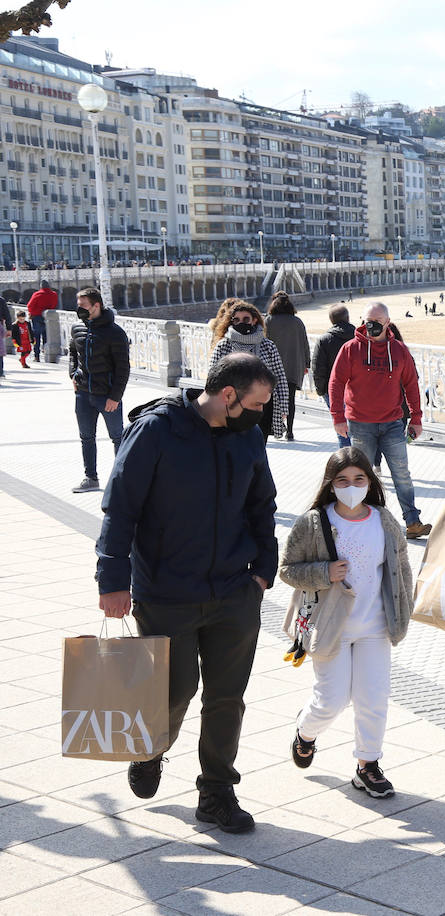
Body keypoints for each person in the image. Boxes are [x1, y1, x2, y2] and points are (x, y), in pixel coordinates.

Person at [95, 352, 278, 832]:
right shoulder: (157, 431)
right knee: (174, 691)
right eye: (258, 404)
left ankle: (217, 792)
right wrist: (112, 581)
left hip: (235, 592)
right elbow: (120, 507)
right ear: (228, 396)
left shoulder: (248, 436)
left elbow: (263, 504)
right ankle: (152, 747)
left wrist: (263, 569)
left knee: (226, 697)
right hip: (167, 593)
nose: (264, 415)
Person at [280, 447, 413, 799]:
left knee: (374, 698)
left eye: (358, 479)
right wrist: (324, 572)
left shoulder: (383, 520)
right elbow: (287, 569)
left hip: (375, 626)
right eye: (342, 481)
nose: (351, 486)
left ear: (370, 482)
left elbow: (400, 569)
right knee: (332, 699)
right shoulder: (314, 522)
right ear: (330, 484)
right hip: (330, 627)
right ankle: (306, 732)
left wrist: (403, 613)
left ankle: (367, 764)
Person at [328, 303, 431, 539]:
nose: (370, 326)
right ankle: (362, 521)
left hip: (393, 423)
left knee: (401, 474)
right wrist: (337, 416)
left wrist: (416, 418)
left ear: (387, 322)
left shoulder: (399, 351)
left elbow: (411, 385)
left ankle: (413, 521)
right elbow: (336, 382)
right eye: (367, 320)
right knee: (361, 476)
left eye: (376, 321)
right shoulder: (350, 349)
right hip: (360, 424)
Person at [69, 287, 130, 494]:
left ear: (97, 306)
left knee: (117, 437)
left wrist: (115, 397)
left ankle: (122, 480)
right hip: (83, 394)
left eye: (84, 306)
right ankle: (91, 478)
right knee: (86, 437)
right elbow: (73, 353)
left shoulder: (115, 333)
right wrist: (73, 375)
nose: (80, 310)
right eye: (78, 306)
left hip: (107, 395)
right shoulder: (77, 328)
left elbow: (123, 368)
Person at [209, 300, 288, 440]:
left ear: (254, 320)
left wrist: (283, 407)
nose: (241, 323)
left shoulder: (267, 346)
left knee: (258, 445)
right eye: (236, 320)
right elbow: (212, 378)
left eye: (246, 319)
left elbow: (279, 377)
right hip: (233, 404)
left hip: (262, 405)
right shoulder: (224, 346)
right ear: (231, 322)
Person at [264, 292, 310, 441]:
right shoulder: (297, 322)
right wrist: (307, 364)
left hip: (272, 367)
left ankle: (273, 428)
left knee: (270, 398)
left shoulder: (268, 321)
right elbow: (305, 345)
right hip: (293, 366)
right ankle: (289, 431)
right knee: (290, 399)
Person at [312, 305, 355, 446]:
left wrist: (322, 391)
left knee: (341, 427)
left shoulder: (325, 339)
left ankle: (347, 460)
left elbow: (318, 368)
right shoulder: (359, 336)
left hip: (333, 389)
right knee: (361, 426)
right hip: (357, 389)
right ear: (348, 318)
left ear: (331, 320)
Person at [24, 279, 57, 361]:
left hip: (37, 317)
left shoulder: (37, 294)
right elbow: (54, 305)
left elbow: (29, 306)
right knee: (47, 337)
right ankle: (47, 354)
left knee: (37, 337)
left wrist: (32, 313)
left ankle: (37, 356)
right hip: (49, 317)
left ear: (41, 286)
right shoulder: (54, 294)